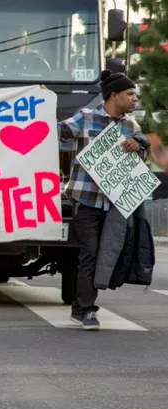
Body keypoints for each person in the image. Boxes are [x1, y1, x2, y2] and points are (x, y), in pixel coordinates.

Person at [57, 69, 150, 330]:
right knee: (90, 252)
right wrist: (38, 106)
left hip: (115, 206)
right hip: (86, 201)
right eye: (130, 94)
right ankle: (87, 310)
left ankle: (80, 305)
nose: (135, 99)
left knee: (107, 254)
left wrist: (139, 145)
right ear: (114, 95)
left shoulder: (131, 126)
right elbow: (58, 131)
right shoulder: (86, 118)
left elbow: (140, 157)